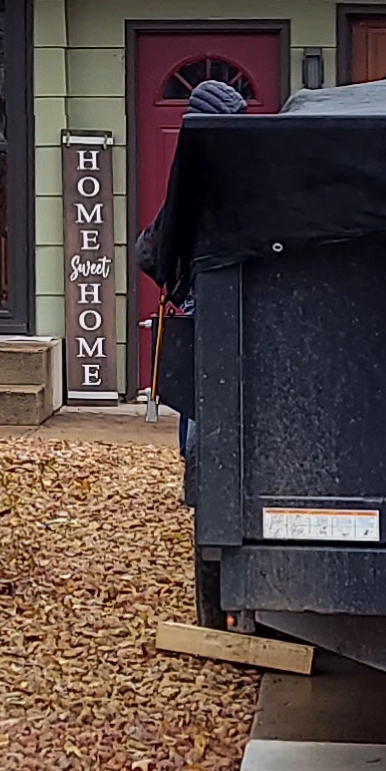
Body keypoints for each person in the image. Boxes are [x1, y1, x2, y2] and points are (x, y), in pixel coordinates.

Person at [136, 75, 250, 473]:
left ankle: (197, 467)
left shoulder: (192, 167)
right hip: (221, 289)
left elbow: (165, 237)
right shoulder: (232, 170)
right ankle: (205, 468)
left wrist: (172, 280)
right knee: (212, 380)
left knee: (198, 382)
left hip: (198, 289)